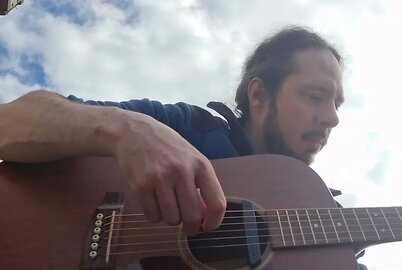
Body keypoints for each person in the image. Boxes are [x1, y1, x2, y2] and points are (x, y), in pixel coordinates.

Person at [0, 26, 366, 269]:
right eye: (316, 97)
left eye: (337, 104)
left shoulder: (327, 223)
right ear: (259, 95)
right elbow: (9, 121)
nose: (332, 118)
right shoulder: (190, 128)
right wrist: (125, 129)